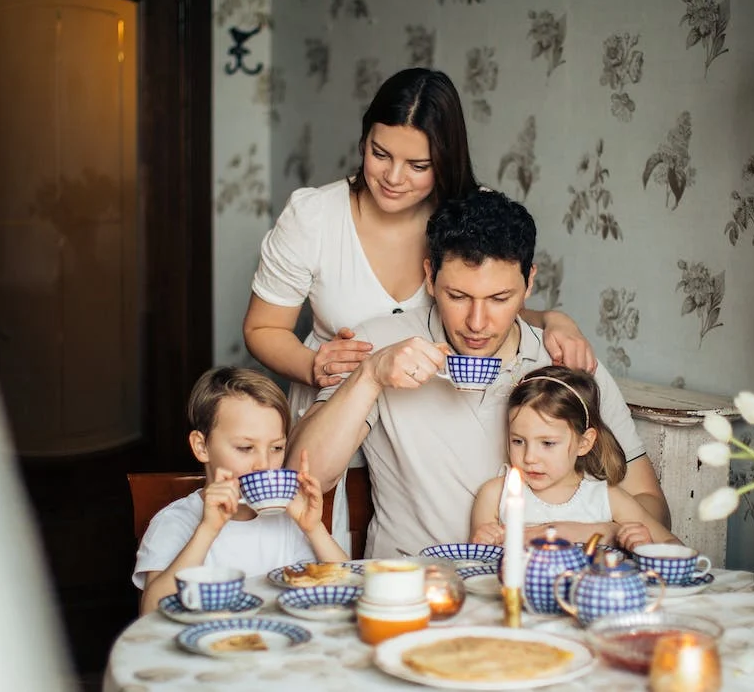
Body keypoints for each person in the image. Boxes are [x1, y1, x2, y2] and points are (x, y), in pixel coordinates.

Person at [243, 67, 596, 549]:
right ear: (364, 138)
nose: (392, 177)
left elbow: (493, 304)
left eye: (418, 165)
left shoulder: (468, 214)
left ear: (446, 161)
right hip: (340, 400)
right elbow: (263, 327)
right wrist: (314, 364)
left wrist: (554, 318)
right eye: (380, 153)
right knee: (321, 546)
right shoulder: (314, 218)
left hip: (428, 418)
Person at [287, 189, 670, 558]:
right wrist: (369, 376)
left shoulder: (565, 361)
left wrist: (569, 533)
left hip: (544, 588)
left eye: (500, 299)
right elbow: (305, 478)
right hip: (416, 586)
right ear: (429, 277)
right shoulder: (378, 343)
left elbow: (651, 509)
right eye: (458, 296)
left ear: (529, 282)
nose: (476, 322)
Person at [132, 367, 346, 615]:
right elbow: (151, 614)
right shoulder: (175, 522)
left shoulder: (287, 522)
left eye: (276, 448)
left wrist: (314, 529)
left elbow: (349, 586)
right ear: (202, 447)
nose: (263, 465)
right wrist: (207, 530)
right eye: (245, 448)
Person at [470, 366, 681, 550]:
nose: (530, 457)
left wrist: (645, 545)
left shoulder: (607, 499)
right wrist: (481, 542)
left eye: (548, 443)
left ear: (584, 443)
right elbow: (474, 562)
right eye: (518, 441)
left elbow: (674, 546)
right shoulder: (495, 495)